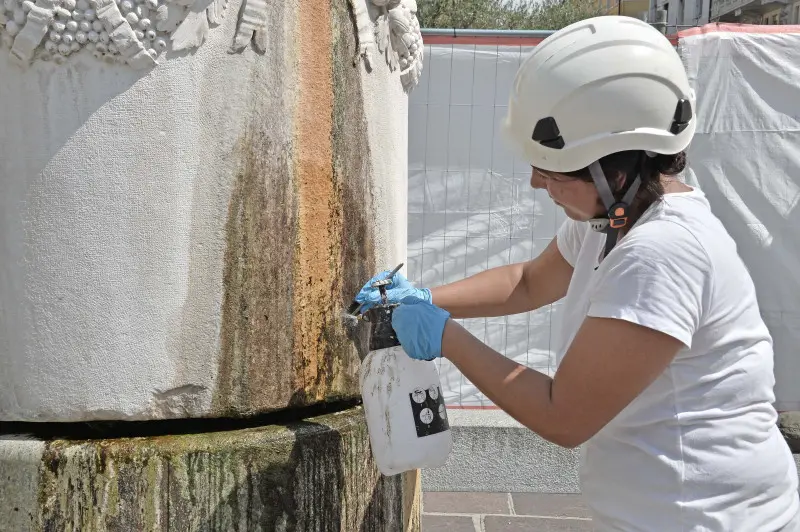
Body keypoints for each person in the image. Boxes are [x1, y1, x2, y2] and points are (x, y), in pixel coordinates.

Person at [353, 15, 800, 532]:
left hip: (708, 518)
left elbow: (562, 415)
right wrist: (427, 297)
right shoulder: (611, 219)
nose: (535, 184)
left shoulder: (663, 252)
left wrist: (445, 336)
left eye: (551, 170)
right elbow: (529, 281)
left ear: (614, 168)